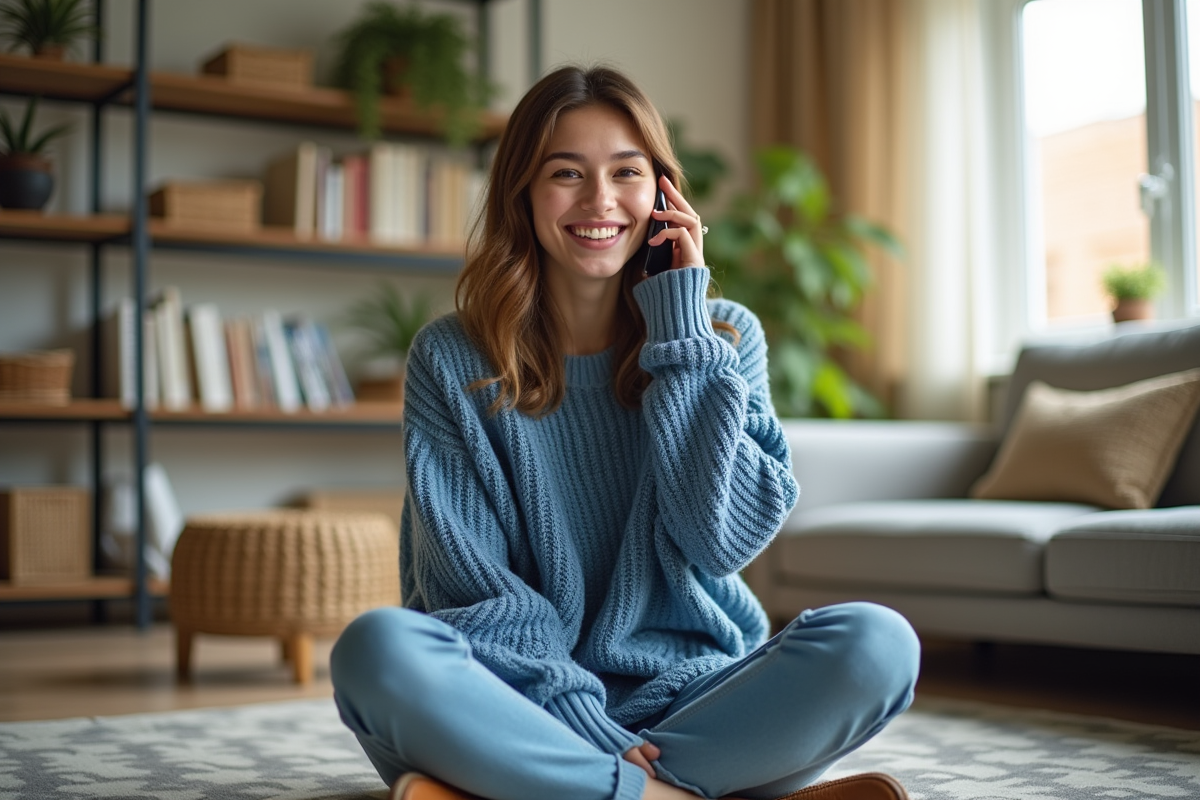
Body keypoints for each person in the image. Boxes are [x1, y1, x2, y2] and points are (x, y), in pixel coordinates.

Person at [330, 64, 920, 800]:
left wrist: (682, 329)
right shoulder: (452, 358)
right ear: (523, 191)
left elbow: (722, 540)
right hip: (518, 703)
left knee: (877, 643)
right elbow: (475, 593)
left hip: (691, 700)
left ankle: (558, 792)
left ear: (666, 196)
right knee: (376, 651)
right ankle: (673, 791)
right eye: (566, 173)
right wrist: (587, 725)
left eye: (627, 173)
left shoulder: (725, 336)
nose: (600, 200)